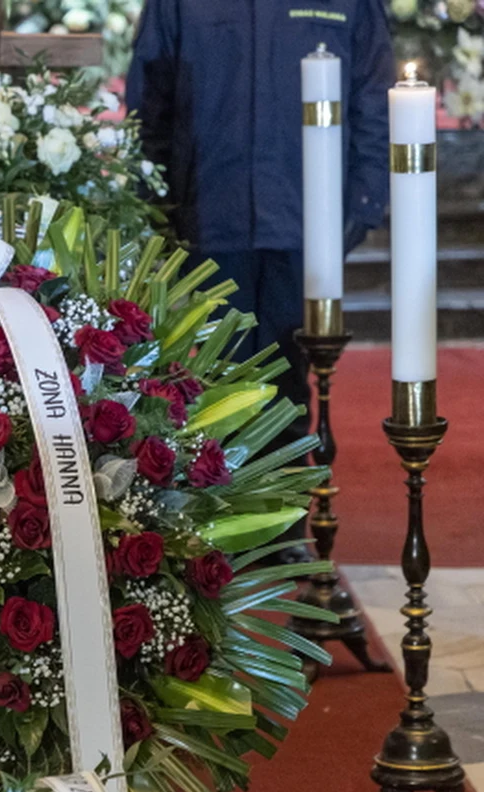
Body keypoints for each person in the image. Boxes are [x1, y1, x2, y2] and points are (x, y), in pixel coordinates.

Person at [126, 0, 394, 561]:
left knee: (288, 383)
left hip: (303, 221)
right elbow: (151, 97)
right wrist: (155, 202)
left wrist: (361, 207)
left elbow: (373, 97)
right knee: (205, 381)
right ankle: (210, 531)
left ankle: (281, 531)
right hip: (208, 217)